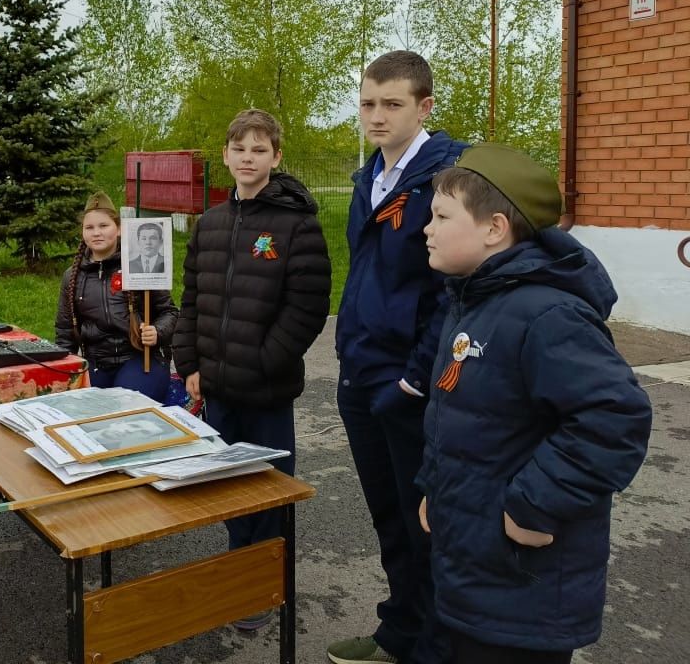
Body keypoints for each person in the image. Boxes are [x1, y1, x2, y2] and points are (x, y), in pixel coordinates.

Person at [417, 143, 652, 664]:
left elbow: (614, 418)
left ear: (494, 228)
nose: (426, 229)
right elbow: (459, 419)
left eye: (440, 216)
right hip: (475, 564)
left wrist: (535, 505)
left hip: (524, 581)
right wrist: (434, 488)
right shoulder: (473, 301)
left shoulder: (546, 315)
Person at [329, 51, 468, 664]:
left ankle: (433, 648)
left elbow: (454, 290)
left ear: (424, 107)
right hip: (359, 374)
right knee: (389, 519)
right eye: (367, 103)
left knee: (426, 527)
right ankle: (398, 633)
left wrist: (416, 378)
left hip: (407, 384)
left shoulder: (448, 176)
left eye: (392, 104)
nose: (376, 116)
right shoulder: (372, 177)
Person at [173, 107, 331, 632]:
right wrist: (189, 362)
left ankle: (268, 585)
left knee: (267, 490)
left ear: (276, 156)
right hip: (216, 388)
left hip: (266, 391)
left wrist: (263, 363)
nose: (248, 157)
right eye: (240, 148)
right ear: (226, 155)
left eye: (259, 149)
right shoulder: (210, 223)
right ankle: (243, 577)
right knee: (228, 487)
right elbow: (192, 298)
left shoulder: (296, 224)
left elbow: (307, 308)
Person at [55, 192, 177, 402]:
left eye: (104, 226)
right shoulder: (73, 276)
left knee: (126, 408)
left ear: (119, 229)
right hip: (96, 362)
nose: (97, 233)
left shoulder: (141, 266)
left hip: (140, 358)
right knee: (84, 414)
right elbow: (65, 330)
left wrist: (157, 332)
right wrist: (64, 371)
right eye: (90, 227)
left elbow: (169, 312)